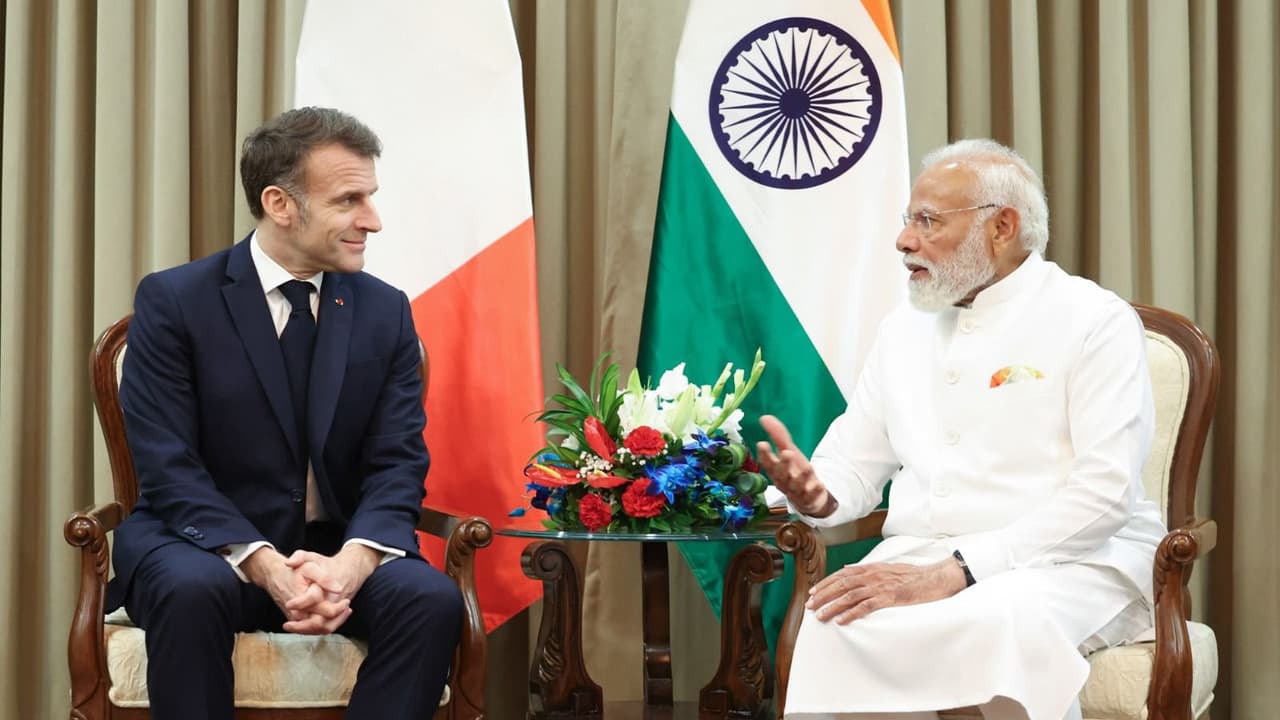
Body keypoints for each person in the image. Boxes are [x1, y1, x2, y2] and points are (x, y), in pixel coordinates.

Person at [759, 139, 1166, 720]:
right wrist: (816, 494)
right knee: (835, 620)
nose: (904, 241)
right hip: (921, 552)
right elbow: (854, 463)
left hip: (1070, 560)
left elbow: (1106, 492)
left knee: (998, 617)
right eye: (907, 221)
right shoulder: (902, 329)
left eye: (927, 221)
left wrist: (961, 570)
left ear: (1002, 227)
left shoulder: (1093, 319)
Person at [108, 106, 463, 720]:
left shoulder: (387, 312)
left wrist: (354, 563)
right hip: (201, 548)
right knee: (192, 590)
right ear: (280, 203)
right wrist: (263, 563)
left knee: (430, 600)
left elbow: (398, 463)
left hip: (334, 550)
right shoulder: (175, 301)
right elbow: (168, 467)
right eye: (349, 200)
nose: (372, 221)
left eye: (370, 197)